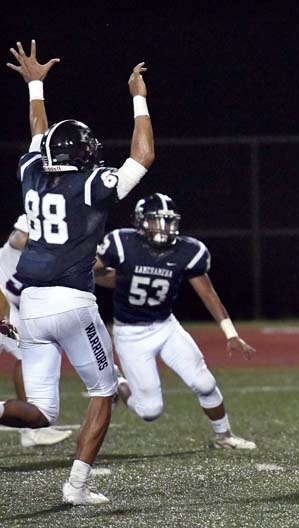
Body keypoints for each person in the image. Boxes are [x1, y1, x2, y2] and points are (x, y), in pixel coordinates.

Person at [0, 40, 154, 504]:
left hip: (30, 304)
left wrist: (35, 87)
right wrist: (139, 98)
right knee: (103, 391)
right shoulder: (91, 183)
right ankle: (76, 487)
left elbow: (37, 133)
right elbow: (143, 156)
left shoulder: (31, 172)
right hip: (71, 301)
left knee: (42, 412)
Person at [94, 193, 257, 450]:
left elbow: (208, 294)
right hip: (130, 334)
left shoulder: (188, 250)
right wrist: (122, 279)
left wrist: (231, 334)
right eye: (155, 221)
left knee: (205, 383)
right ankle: (119, 383)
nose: (163, 227)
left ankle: (224, 436)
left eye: (168, 221)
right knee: (149, 411)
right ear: (139, 222)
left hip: (166, 326)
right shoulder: (122, 243)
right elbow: (90, 270)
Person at [0, 214, 72, 447]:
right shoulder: (24, 235)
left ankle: (30, 427)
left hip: (10, 308)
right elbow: (17, 238)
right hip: (3, 304)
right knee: (29, 350)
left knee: (28, 352)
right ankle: (31, 428)